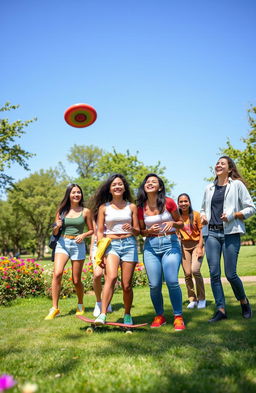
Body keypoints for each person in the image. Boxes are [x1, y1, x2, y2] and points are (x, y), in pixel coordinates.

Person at [200, 156, 256, 322]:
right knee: (214, 273)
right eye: (217, 162)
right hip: (211, 234)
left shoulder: (236, 185)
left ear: (230, 169)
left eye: (222, 163)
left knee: (231, 274)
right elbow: (203, 208)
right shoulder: (208, 188)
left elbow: (251, 208)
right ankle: (221, 310)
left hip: (230, 233)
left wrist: (233, 215)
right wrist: (203, 216)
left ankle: (244, 302)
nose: (218, 165)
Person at [137, 173, 185, 331]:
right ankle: (160, 315)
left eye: (154, 182)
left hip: (170, 243)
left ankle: (178, 317)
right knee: (154, 284)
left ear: (160, 187)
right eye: (147, 182)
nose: (150, 183)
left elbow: (181, 222)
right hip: (150, 245)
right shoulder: (140, 207)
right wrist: (148, 230)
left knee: (172, 281)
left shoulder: (168, 202)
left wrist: (172, 222)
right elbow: (141, 231)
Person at [92, 174, 140, 325]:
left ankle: (127, 314)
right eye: (114, 185)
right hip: (111, 245)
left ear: (124, 188)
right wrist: (101, 250)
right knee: (111, 278)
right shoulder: (103, 208)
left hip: (129, 244)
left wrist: (132, 228)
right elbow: (100, 231)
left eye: (120, 184)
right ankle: (103, 314)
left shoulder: (131, 207)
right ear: (110, 189)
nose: (117, 186)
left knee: (126, 285)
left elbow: (138, 230)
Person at [45, 183, 93, 320]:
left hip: (78, 245)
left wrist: (83, 235)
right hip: (62, 243)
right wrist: (57, 226)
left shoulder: (86, 211)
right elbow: (55, 232)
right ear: (69, 194)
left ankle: (80, 304)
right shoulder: (61, 210)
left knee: (76, 280)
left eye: (78, 192)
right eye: (73, 192)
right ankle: (55, 308)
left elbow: (92, 229)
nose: (76, 195)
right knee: (57, 273)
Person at [178, 193, 206, 309]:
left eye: (186, 201)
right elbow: (175, 229)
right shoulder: (176, 216)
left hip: (196, 245)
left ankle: (202, 299)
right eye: (181, 201)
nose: (184, 203)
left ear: (189, 202)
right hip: (184, 247)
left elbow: (202, 232)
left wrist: (200, 247)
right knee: (187, 274)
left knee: (195, 270)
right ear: (178, 203)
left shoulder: (196, 215)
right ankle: (192, 299)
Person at [89, 216, 112, 317]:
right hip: (97, 246)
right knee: (97, 274)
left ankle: (107, 302)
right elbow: (94, 233)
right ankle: (98, 302)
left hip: (111, 245)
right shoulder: (96, 214)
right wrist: (91, 251)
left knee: (109, 276)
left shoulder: (112, 210)